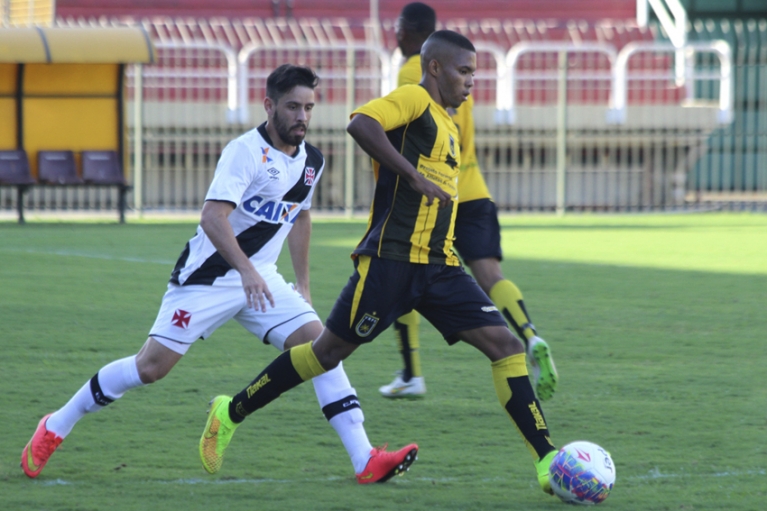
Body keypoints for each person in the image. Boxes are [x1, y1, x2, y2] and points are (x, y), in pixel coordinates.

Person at [199, 30, 559, 496]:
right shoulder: (413, 98)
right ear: (435, 68)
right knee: (326, 354)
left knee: (506, 346)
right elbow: (361, 123)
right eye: (464, 71)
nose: (472, 81)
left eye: (474, 72)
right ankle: (231, 411)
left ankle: (548, 460)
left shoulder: (450, 123)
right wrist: (411, 176)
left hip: (440, 267)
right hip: (390, 263)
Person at [21, 64, 416, 484]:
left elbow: (301, 218)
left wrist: (302, 284)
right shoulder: (243, 152)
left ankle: (364, 458)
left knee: (323, 349)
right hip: (207, 279)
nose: (302, 116)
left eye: (309, 108)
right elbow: (213, 216)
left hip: (262, 279)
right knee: (150, 368)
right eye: (293, 107)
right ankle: (54, 426)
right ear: (269, 106)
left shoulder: (311, 161)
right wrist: (244, 270)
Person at [379, 2, 558, 400]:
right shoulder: (462, 72)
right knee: (490, 275)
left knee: (404, 272)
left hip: (433, 194)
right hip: (474, 190)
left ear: (410, 32)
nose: (394, 35)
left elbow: (402, 130)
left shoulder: (416, 70)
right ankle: (529, 335)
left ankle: (412, 374)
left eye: (397, 28)